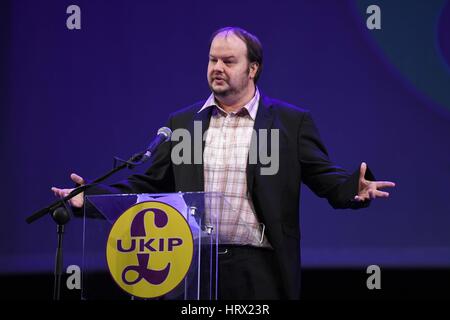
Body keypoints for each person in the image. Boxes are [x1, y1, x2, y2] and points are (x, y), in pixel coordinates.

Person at [52, 27, 395, 299]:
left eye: (228, 61)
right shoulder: (183, 124)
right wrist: (91, 197)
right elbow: (146, 184)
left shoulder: (288, 123)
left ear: (253, 69)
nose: (217, 68)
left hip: (259, 268)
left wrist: (354, 188)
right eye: (212, 60)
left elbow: (324, 178)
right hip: (192, 265)